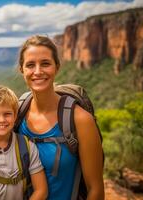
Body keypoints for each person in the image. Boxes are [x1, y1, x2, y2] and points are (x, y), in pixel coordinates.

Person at [16, 35, 104, 200]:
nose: (38, 71)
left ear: (57, 67)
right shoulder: (17, 113)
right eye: (30, 65)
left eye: (45, 63)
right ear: (22, 70)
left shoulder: (80, 120)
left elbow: (96, 190)